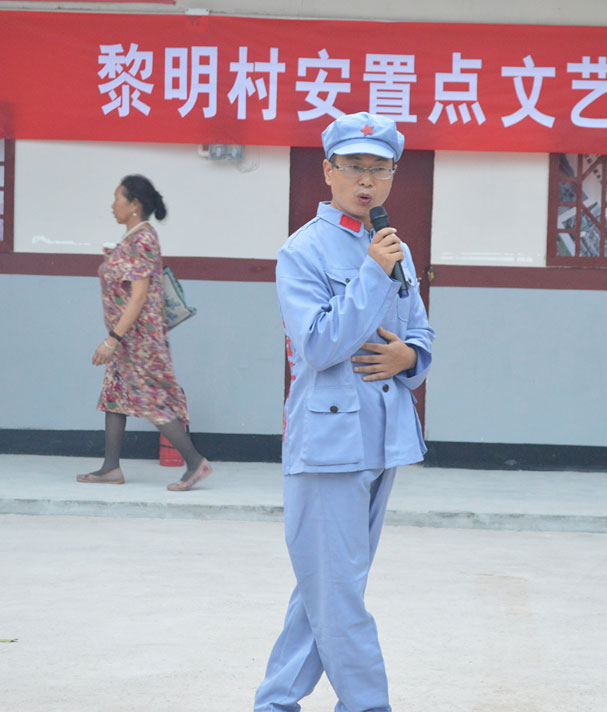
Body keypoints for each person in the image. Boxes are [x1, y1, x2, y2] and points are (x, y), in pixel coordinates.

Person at [254, 112, 434, 712]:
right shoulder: (302, 251)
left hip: (385, 440)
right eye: (353, 167)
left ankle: (276, 701)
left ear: (392, 175)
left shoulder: (390, 247)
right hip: (330, 443)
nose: (366, 180)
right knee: (337, 594)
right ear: (327, 171)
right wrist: (370, 274)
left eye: (378, 169)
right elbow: (318, 345)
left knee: (327, 591)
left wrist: (411, 357)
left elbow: (418, 334)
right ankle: (367, 703)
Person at [76, 175, 211, 492]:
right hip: (128, 342)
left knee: (153, 402)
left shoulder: (142, 240)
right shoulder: (132, 240)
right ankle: (111, 468)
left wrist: (113, 339)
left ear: (134, 204)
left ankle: (195, 463)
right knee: (115, 398)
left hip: (137, 343)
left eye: (117, 198)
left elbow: (138, 297)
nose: (112, 205)